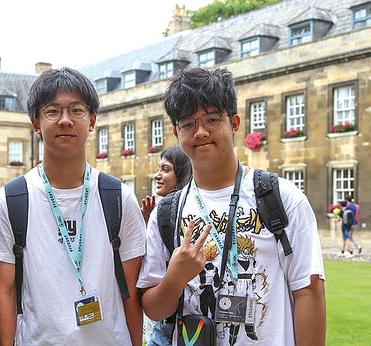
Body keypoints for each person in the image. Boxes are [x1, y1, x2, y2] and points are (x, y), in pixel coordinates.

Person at [137, 67, 326, 345]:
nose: (200, 132)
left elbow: (308, 291)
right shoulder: (167, 212)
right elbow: (153, 308)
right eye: (188, 124)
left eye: (212, 119)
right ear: (177, 132)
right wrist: (175, 278)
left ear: (234, 122)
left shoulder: (282, 197)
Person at [0, 67, 146, 345]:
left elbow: (130, 291)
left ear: (92, 121)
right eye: (53, 111)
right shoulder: (9, 202)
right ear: (36, 123)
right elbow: (5, 293)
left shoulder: (118, 197)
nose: (65, 120)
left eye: (76, 110)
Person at [140, 145, 191, 346]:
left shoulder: (191, 215)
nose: (157, 175)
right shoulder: (160, 214)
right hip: (164, 323)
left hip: (183, 325)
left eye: (166, 169)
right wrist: (148, 221)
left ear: (182, 171)